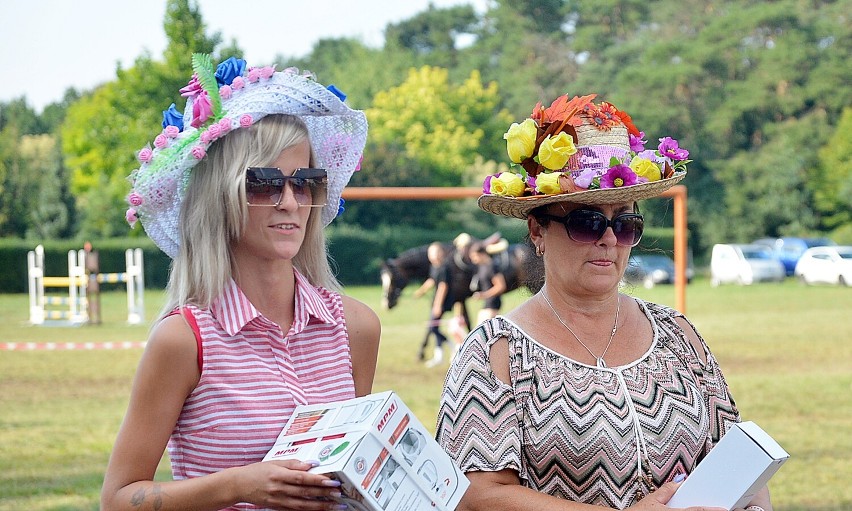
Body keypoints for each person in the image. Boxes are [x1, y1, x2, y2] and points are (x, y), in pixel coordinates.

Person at [436, 94, 773, 511]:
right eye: (586, 221)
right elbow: (478, 495)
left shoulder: (677, 333)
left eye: (625, 222)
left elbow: (739, 460)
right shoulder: (497, 351)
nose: (609, 238)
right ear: (538, 230)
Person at [101, 54, 380, 511]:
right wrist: (238, 486)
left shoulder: (356, 328)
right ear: (221, 194)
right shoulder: (184, 340)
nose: (290, 201)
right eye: (265, 183)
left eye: (305, 182)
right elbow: (117, 499)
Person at [413, 242, 456, 366]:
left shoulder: (444, 267)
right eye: (431, 253)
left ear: (441, 253)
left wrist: (438, 305)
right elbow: (432, 280)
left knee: (432, 327)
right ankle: (439, 357)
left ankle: (453, 346)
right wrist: (420, 292)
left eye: (436, 252)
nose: (433, 256)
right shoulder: (434, 266)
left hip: (442, 302)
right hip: (436, 302)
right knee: (435, 328)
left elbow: (443, 286)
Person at [469, 241, 508, 325]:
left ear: (482, 254)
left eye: (474, 256)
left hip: (493, 304)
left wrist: (484, 295)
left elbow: (500, 286)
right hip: (487, 304)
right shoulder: (481, 266)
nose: (473, 259)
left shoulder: (492, 267)